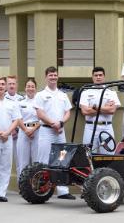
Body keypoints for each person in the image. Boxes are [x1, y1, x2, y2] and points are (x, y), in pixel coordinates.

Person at [34, 66, 75, 200]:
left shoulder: (63, 95)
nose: (53, 77)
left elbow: (68, 112)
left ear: (57, 77)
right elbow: (39, 113)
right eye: (50, 75)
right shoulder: (40, 95)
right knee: (43, 161)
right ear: (46, 77)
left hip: (60, 132)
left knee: (62, 160)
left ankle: (63, 191)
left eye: (55, 75)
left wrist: (61, 123)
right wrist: (53, 123)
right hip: (46, 131)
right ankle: (42, 190)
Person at [80, 67, 121, 154]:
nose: (98, 77)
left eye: (100, 75)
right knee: (88, 156)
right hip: (90, 128)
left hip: (106, 127)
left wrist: (94, 108)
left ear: (104, 77)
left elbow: (112, 110)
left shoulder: (111, 93)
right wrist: (105, 107)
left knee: (108, 156)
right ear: (92, 77)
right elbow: (85, 111)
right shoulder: (86, 92)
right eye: (96, 75)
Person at [16, 78, 41, 176]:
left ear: (35, 88)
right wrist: (26, 130)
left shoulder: (39, 102)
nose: (30, 88)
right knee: (23, 162)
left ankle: (36, 187)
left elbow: (42, 118)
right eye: (28, 86)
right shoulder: (20, 102)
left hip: (37, 132)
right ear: (25, 88)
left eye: (32, 86)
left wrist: (33, 130)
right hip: (23, 132)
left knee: (36, 161)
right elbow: (18, 118)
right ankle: (23, 187)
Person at [5, 75, 25, 176]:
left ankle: (20, 185)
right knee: (3, 162)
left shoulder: (22, 99)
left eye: (13, 83)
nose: (11, 86)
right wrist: (10, 130)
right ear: (6, 85)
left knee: (20, 161)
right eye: (9, 84)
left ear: (16, 85)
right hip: (5, 134)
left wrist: (16, 130)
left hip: (20, 134)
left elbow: (23, 117)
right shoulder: (2, 98)